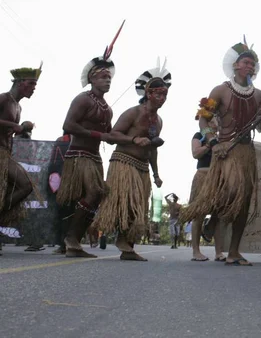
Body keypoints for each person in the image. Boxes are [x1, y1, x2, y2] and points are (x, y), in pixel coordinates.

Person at [186, 39, 261, 266]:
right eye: (246, 62)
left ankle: (233, 251)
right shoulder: (221, 90)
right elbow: (203, 118)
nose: (250, 67)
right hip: (224, 151)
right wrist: (213, 142)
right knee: (231, 191)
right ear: (235, 66)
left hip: (245, 152)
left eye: (252, 64)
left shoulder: (258, 95)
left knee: (243, 201)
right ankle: (213, 220)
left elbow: (260, 127)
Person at [93, 57, 170, 261]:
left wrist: (156, 174)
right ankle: (121, 240)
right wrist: (135, 139)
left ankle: (127, 246)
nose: (162, 98)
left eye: (165, 94)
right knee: (130, 203)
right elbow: (111, 136)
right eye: (159, 94)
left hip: (143, 167)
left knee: (140, 208)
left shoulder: (159, 121)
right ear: (148, 93)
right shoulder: (133, 113)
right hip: (124, 162)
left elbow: (153, 148)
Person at [56, 27, 124, 258]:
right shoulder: (83, 99)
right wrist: (99, 136)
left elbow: (111, 134)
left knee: (98, 195)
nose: (107, 80)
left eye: (109, 77)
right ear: (92, 78)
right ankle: (70, 238)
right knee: (93, 192)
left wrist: (132, 137)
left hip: (95, 159)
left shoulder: (108, 109)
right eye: (103, 77)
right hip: (78, 156)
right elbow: (68, 125)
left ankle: (72, 239)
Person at [0, 64, 40, 231]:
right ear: (19, 82)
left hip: (5, 153)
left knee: (23, 186)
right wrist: (13, 125)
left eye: (35, 85)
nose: (33, 88)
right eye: (31, 84)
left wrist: (23, 126)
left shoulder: (18, 106)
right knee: (25, 185)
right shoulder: (3, 98)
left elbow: (12, 131)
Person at [181, 117, 227, 261]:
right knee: (199, 214)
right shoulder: (198, 136)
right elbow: (195, 154)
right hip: (202, 175)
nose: (215, 124)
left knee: (219, 215)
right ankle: (196, 251)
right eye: (213, 121)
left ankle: (219, 252)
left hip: (218, 178)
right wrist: (209, 145)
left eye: (217, 122)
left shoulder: (223, 138)